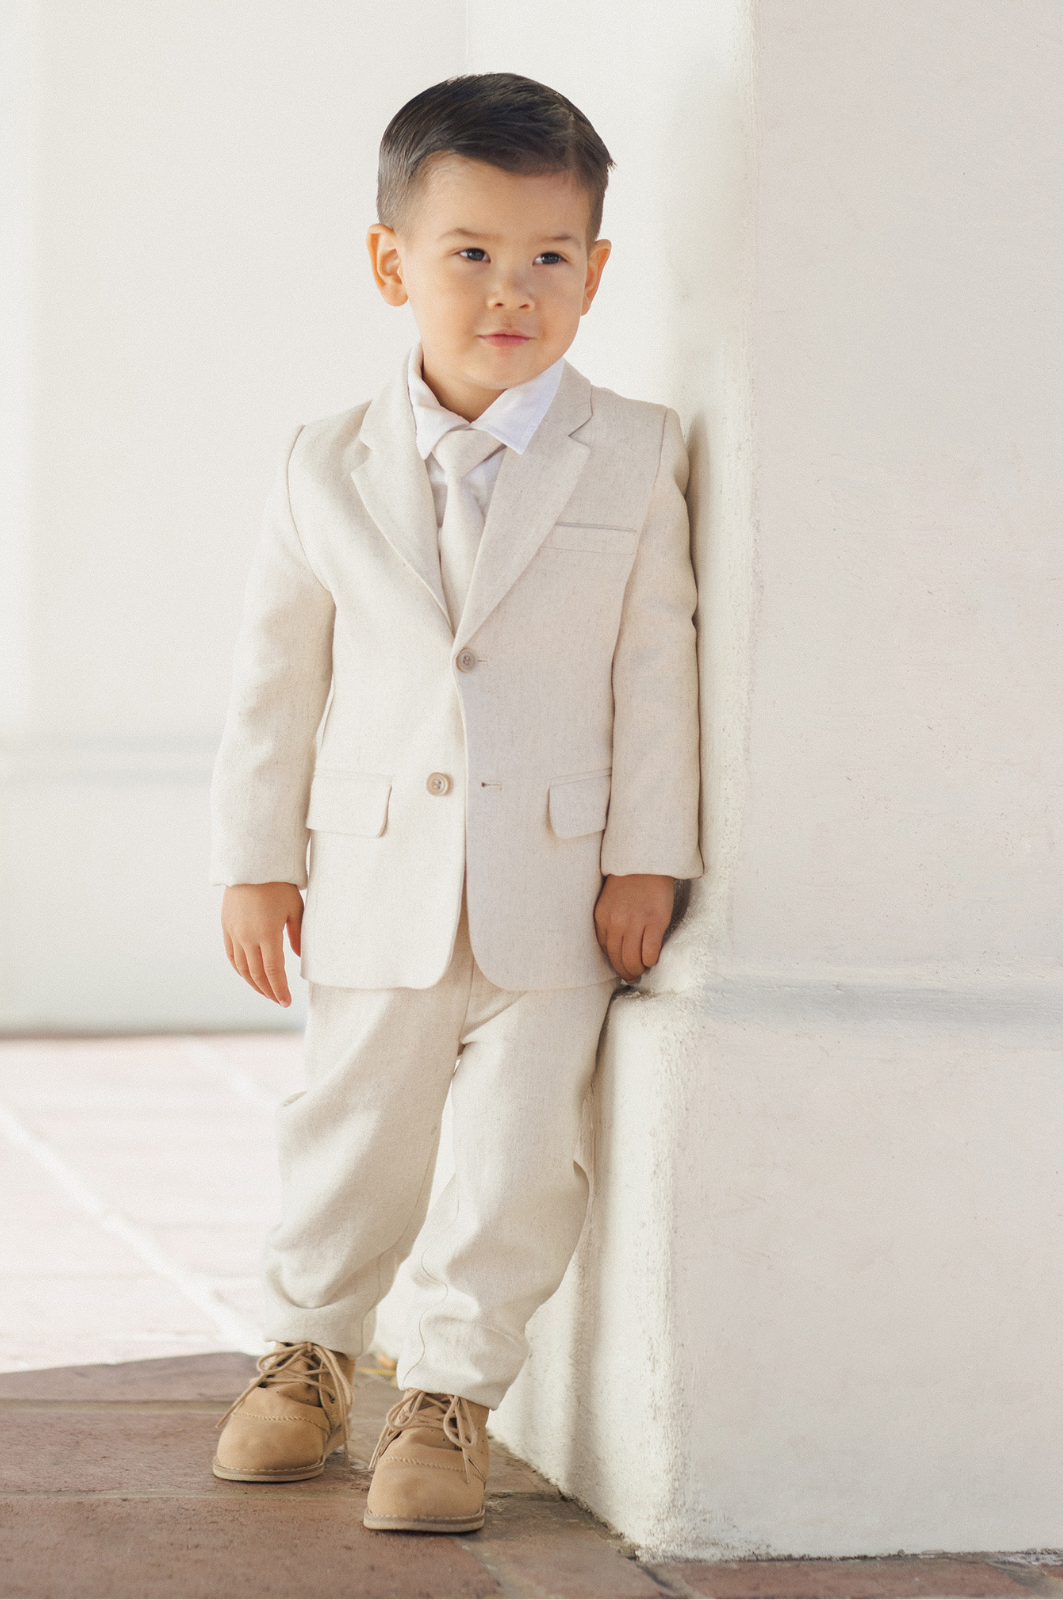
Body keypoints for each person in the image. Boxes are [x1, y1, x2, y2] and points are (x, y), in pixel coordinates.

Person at [208, 72, 701, 1534]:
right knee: (350, 1129)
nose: (511, 289)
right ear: (390, 264)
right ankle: (303, 1357)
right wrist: (253, 860)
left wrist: (647, 858)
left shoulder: (632, 449)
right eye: (469, 251)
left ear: (596, 273)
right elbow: (275, 679)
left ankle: (449, 1399)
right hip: (371, 875)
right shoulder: (324, 462)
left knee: (510, 1160)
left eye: (550, 256)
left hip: (554, 889)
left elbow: (657, 666)